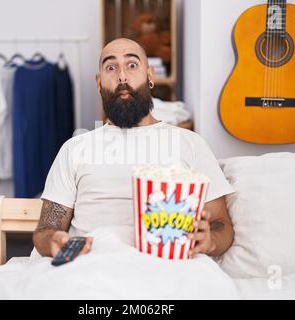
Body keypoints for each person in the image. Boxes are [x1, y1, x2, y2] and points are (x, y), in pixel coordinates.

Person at [33, 38, 235, 259]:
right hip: (92, 265)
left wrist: (210, 241)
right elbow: (46, 229)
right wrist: (54, 241)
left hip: (166, 265)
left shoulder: (190, 143)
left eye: (131, 65)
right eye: (111, 67)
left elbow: (221, 224)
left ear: (150, 76)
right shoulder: (75, 148)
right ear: (99, 82)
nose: (121, 76)